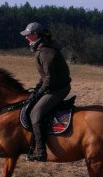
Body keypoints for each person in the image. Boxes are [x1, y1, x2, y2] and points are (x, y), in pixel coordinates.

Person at [20, 22, 71, 162]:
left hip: (58, 88)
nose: (26, 38)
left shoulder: (46, 52)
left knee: (35, 113)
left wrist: (40, 92)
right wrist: (37, 89)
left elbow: (49, 79)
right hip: (54, 85)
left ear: (35, 35)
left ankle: (41, 152)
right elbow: (44, 76)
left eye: (28, 35)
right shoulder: (41, 48)